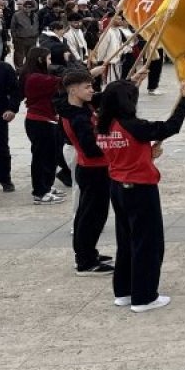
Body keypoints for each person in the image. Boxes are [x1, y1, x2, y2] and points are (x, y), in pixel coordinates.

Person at [96, 78, 185, 312]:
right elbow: (171, 127)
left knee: (126, 240)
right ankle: (144, 296)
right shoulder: (134, 126)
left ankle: (124, 291)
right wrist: (184, 100)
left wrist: (147, 154)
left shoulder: (103, 125)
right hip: (140, 188)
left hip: (117, 186)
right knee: (148, 242)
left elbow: (123, 153)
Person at [60, 68, 115, 275]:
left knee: (86, 214)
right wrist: (112, 145)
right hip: (93, 170)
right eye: (87, 87)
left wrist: (133, 80)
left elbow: (105, 97)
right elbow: (91, 149)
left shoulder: (75, 107)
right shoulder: (78, 117)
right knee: (92, 216)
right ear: (73, 90)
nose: (92, 90)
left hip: (89, 169)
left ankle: (87, 253)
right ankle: (85, 261)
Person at [21, 47, 66, 204]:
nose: (50, 62)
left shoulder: (40, 76)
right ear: (40, 60)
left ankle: (47, 185)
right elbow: (63, 81)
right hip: (39, 122)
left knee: (51, 157)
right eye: (48, 59)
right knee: (41, 158)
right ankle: (40, 192)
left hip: (47, 119)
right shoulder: (35, 78)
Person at [0, 53, 18, 192]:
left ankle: (5, 178)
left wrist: (12, 109)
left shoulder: (5, 68)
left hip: (0, 115)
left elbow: (15, 90)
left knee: (1, 149)